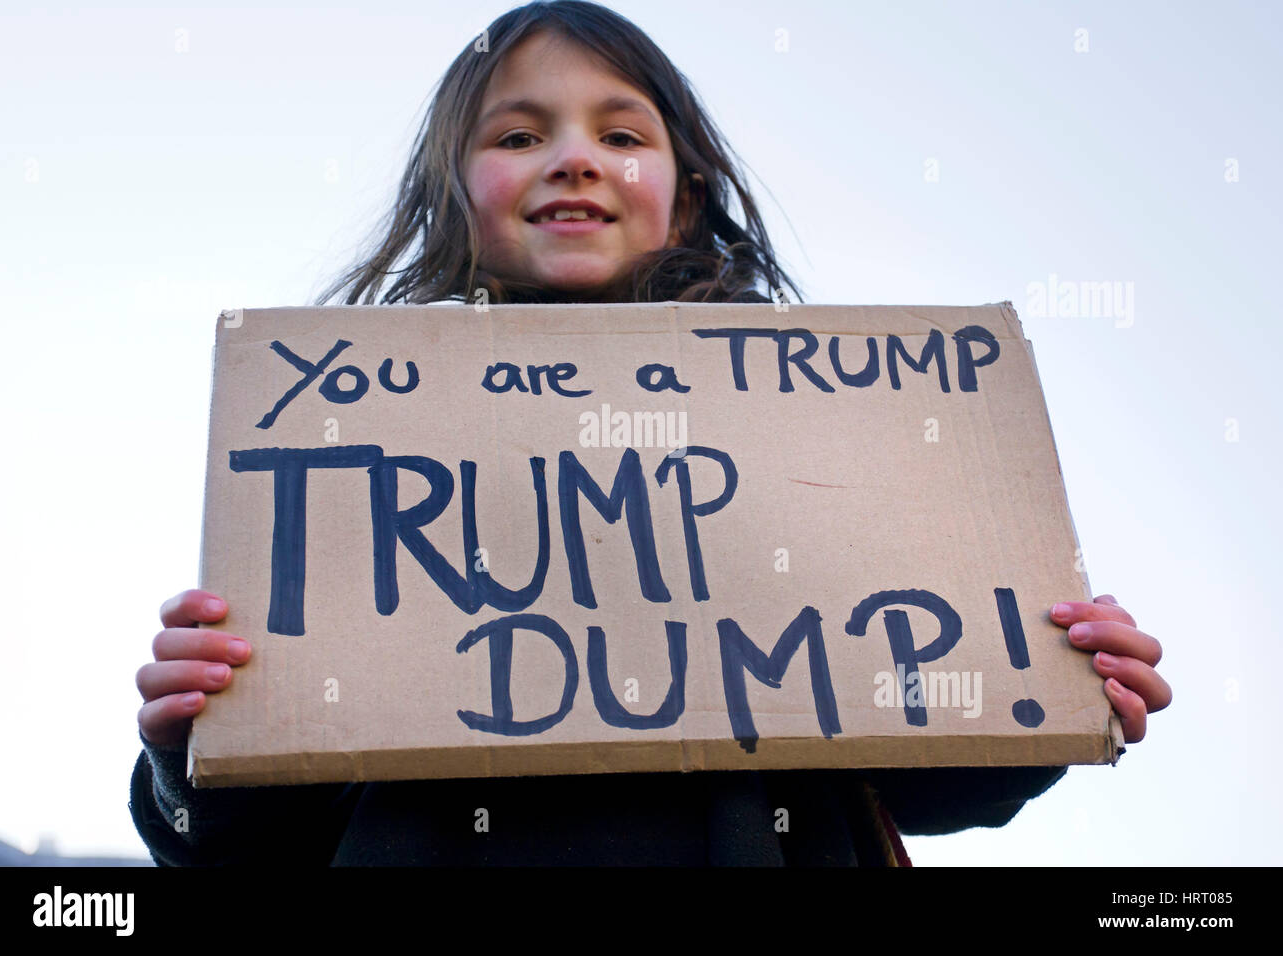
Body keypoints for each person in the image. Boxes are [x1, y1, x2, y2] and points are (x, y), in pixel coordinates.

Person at [129, 1, 1171, 866]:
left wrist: (1047, 681)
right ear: (457, 195)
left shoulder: (820, 439)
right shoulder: (353, 452)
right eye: (518, 136)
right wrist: (196, 746)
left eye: (621, 135)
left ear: (684, 201)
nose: (573, 159)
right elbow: (230, 845)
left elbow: (939, 780)